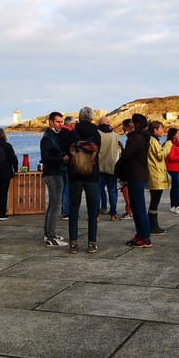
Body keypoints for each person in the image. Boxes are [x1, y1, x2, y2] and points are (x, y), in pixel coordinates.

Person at [66, 107, 101, 254]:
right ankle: (92, 243)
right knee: (92, 210)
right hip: (92, 175)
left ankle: (73, 244)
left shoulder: (72, 133)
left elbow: (67, 151)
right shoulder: (96, 134)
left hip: (75, 175)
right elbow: (99, 151)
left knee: (74, 209)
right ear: (91, 118)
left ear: (79, 118)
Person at [119, 113, 152, 248]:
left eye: (132, 121)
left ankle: (145, 237)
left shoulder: (137, 138)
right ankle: (140, 235)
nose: (130, 124)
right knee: (137, 207)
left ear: (136, 123)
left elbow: (126, 154)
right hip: (137, 174)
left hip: (136, 175)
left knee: (139, 208)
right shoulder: (140, 137)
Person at [40, 111, 69, 247]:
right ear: (50, 122)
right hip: (52, 174)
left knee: (52, 204)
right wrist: (62, 159)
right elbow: (46, 158)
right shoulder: (47, 138)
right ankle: (50, 237)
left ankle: (48, 233)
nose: (60, 124)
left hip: (55, 172)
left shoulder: (52, 136)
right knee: (55, 205)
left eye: (61, 122)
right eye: (58, 122)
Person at [146, 120, 171, 235]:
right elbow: (160, 155)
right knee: (155, 201)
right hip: (155, 174)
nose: (163, 131)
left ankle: (152, 224)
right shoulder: (153, 140)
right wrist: (168, 144)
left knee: (154, 200)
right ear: (155, 130)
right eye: (161, 128)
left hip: (154, 173)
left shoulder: (152, 140)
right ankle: (153, 226)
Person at [97, 115, 120, 221]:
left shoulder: (97, 134)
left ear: (99, 123)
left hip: (99, 167)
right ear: (108, 123)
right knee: (112, 191)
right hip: (112, 167)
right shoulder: (115, 136)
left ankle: (96, 215)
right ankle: (113, 214)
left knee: (97, 191)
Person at [165, 128, 179, 215]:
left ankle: (173, 206)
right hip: (172, 168)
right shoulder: (170, 144)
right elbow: (171, 157)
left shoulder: (177, 143)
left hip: (177, 168)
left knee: (175, 186)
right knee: (178, 186)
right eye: (177, 133)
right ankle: (176, 206)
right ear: (173, 135)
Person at [58, 115, 77, 219]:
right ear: (71, 124)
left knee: (64, 186)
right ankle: (66, 212)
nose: (76, 125)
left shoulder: (59, 133)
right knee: (68, 187)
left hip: (60, 162)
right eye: (75, 123)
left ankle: (64, 210)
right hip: (68, 163)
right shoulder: (70, 134)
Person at [118, 118, 135, 220]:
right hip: (135, 168)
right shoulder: (136, 137)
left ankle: (129, 210)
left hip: (130, 168)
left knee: (126, 188)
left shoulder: (131, 138)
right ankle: (131, 209)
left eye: (124, 127)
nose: (123, 129)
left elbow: (128, 154)